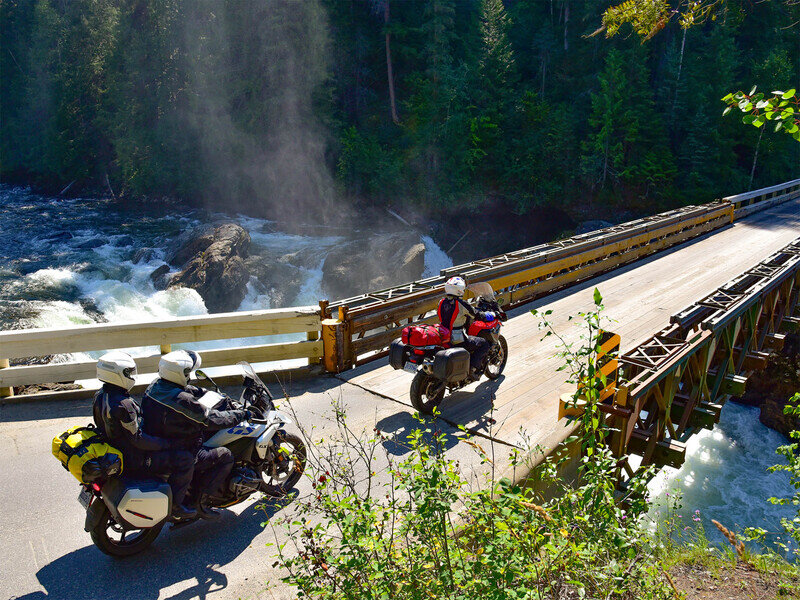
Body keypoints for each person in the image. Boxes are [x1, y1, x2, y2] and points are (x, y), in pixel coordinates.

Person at [141, 350, 252, 519]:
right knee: (225, 455)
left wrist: (206, 393)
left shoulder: (156, 386)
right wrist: (241, 415)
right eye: (187, 373)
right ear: (178, 373)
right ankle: (200, 502)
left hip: (161, 440)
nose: (189, 376)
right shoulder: (182, 400)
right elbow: (211, 419)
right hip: (182, 447)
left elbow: (190, 390)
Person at [93, 351, 197, 520]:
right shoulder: (123, 405)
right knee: (185, 459)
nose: (131, 376)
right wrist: (168, 444)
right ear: (116, 374)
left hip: (116, 449)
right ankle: (177, 507)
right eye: (127, 373)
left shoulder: (100, 395)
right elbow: (139, 440)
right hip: (135, 458)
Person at [437, 276, 496, 380]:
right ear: (460, 290)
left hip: (443, 336)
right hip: (457, 339)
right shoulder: (461, 303)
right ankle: (472, 369)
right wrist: (491, 315)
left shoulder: (441, 302)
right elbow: (477, 315)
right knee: (484, 344)